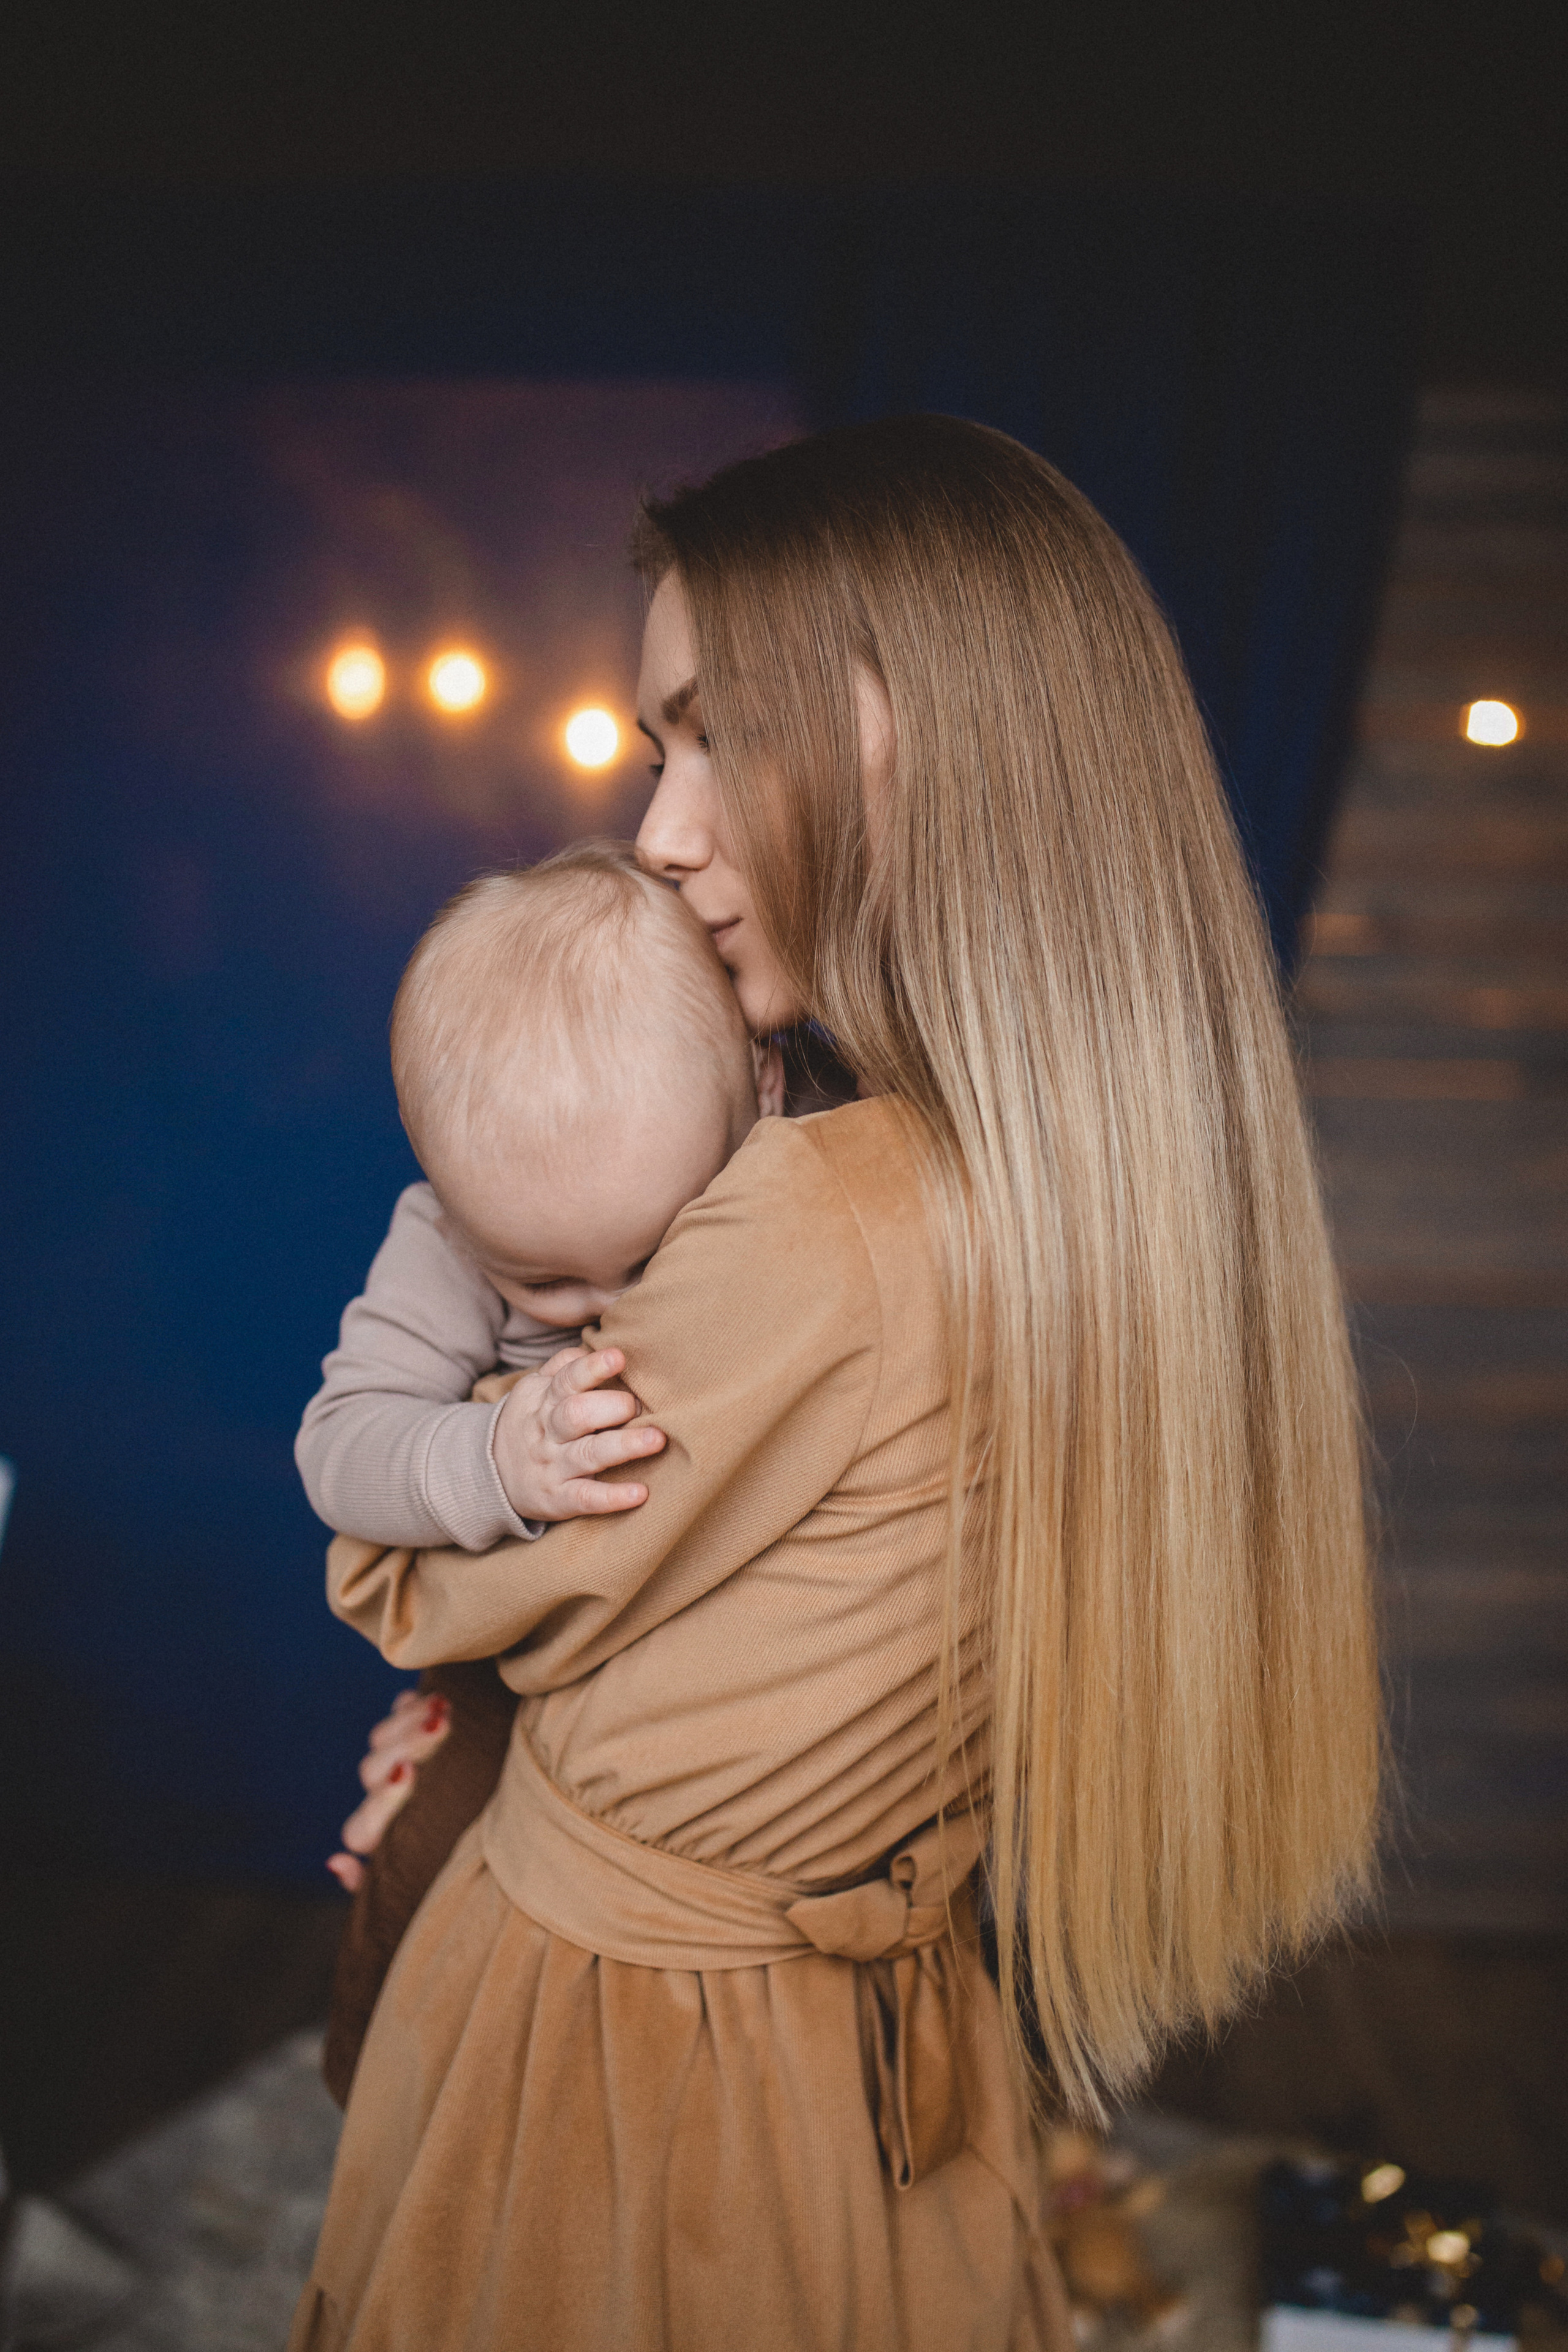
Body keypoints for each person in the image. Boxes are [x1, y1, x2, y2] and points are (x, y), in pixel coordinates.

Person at [290, 414, 1380, 2352]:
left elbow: (417, 1587)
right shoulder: (1101, 1189)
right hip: (871, 2029)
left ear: (951, 737)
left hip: (637, 2057)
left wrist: (435, 1536)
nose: (662, 834)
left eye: (733, 732)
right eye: (658, 751)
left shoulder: (829, 1224)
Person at [294, 843, 786, 2097]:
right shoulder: (446, 1245)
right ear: (458, 1215)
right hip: (509, 1676)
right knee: (424, 1853)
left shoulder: (797, 1182)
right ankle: (386, 2107)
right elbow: (340, 1450)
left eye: (646, 1258)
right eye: (546, 1286)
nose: (605, 1313)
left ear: (763, 1099)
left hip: (724, 1695)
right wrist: (493, 1454)